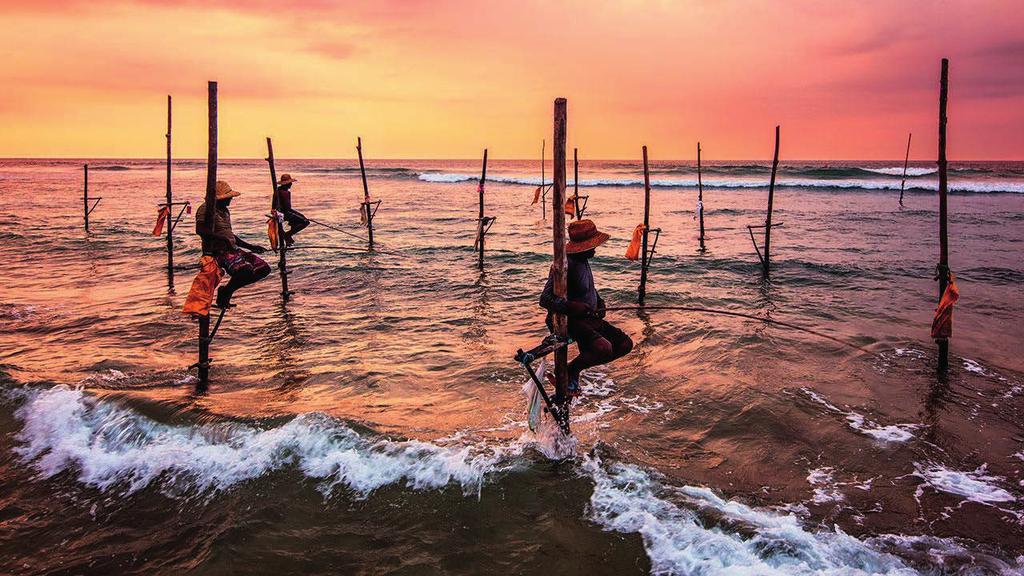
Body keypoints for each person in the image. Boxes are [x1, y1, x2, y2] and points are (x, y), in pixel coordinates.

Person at [540, 219, 633, 403]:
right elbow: (545, 299)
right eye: (592, 245)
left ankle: (572, 371)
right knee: (603, 348)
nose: (595, 249)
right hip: (570, 321)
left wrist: (599, 302)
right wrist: (572, 306)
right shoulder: (565, 265)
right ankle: (570, 370)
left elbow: (587, 288)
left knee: (624, 344)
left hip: (589, 319)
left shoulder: (583, 261)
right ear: (581, 247)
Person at [195, 181, 271, 308]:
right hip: (218, 252)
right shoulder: (205, 209)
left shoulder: (224, 211)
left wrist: (251, 247)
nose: (230, 200)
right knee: (245, 270)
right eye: (228, 198)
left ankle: (228, 290)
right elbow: (200, 230)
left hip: (232, 249)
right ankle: (226, 293)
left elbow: (230, 235)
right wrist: (223, 239)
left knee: (263, 268)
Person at [275, 174, 309, 246]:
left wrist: (300, 215)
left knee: (300, 217)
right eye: (290, 183)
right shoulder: (285, 192)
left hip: (278, 212)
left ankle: (288, 237)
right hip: (283, 213)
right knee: (306, 222)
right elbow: (287, 208)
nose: (291, 184)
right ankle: (288, 235)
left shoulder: (278, 189)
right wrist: (300, 215)